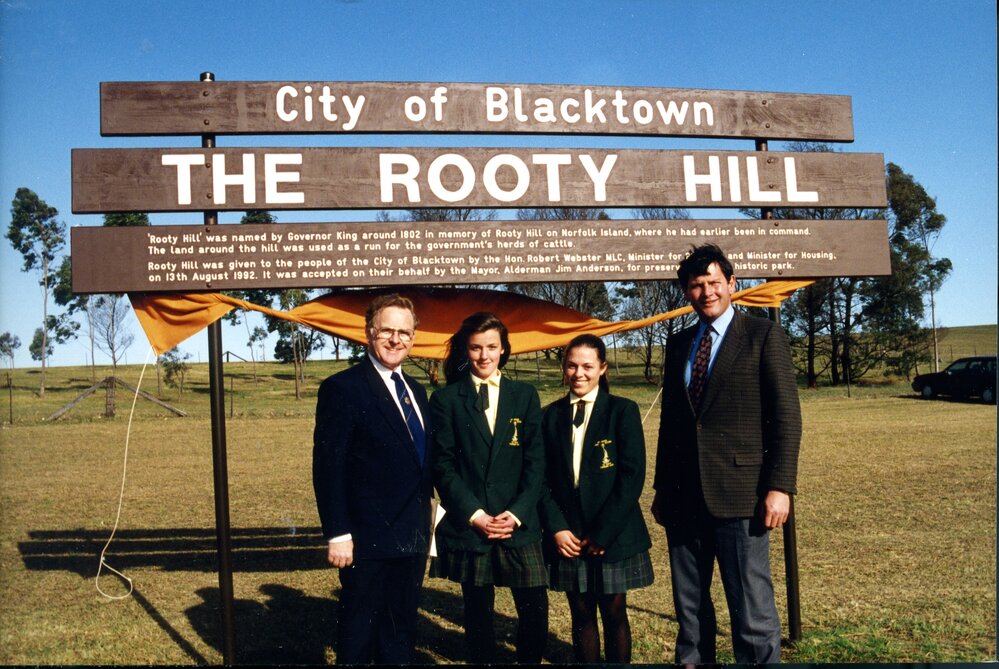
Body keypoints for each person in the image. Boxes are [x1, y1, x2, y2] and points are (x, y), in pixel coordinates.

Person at [651, 243, 802, 664]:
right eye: (697, 285)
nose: (707, 292)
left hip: (742, 498)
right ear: (686, 291)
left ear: (732, 283)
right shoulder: (679, 343)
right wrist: (663, 487)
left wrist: (779, 486)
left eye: (714, 282)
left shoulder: (763, 335)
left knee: (751, 613)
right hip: (683, 499)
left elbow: (786, 418)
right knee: (691, 613)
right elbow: (672, 424)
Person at [312, 293, 433, 664]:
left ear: (413, 338)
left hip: (411, 538)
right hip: (366, 541)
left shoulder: (416, 390)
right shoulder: (343, 388)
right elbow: (328, 467)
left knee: (400, 637)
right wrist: (337, 533)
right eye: (387, 331)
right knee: (359, 637)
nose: (396, 340)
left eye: (405, 333)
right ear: (369, 333)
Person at [430, 312, 549, 664]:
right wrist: (476, 516)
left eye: (492, 347)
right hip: (473, 527)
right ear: (466, 351)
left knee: (534, 609)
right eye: (476, 348)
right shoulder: (446, 400)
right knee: (478, 613)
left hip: (518, 524)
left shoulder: (525, 395)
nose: (484, 356)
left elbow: (536, 463)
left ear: (504, 350)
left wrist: (515, 514)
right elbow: (443, 466)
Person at [538, 334, 653, 663]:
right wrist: (557, 528)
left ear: (602, 368)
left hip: (612, 533)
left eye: (587, 366)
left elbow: (632, 477)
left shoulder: (623, 411)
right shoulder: (550, 416)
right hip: (569, 534)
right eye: (572, 365)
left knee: (614, 612)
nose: (579, 373)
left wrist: (604, 532)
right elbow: (540, 480)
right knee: (581, 614)